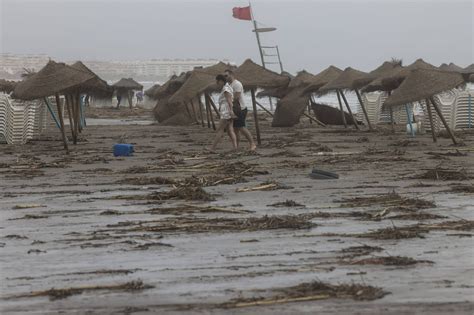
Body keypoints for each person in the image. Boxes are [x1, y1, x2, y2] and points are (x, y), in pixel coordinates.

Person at [224, 69, 257, 151]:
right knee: (235, 129)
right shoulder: (228, 84)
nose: (225, 77)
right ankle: (236, 146)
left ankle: (252, 143)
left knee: (241, 127)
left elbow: (236, 97)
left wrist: (227, 101)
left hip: (240, 109)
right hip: (233, 109)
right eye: (224, 76)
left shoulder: (237, 84)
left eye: (226, 75)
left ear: (231, 75)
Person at [207, 74, 238, 151]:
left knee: (220, 129)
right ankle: (235, 147)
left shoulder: (226, 89)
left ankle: (212, 148)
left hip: (226, 111)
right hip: (227, 110)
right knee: (230, 130)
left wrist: (231, 111)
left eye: (218, 81)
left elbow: (229, 101)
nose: (217, 83)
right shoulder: (227, 87)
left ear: (221, 81)